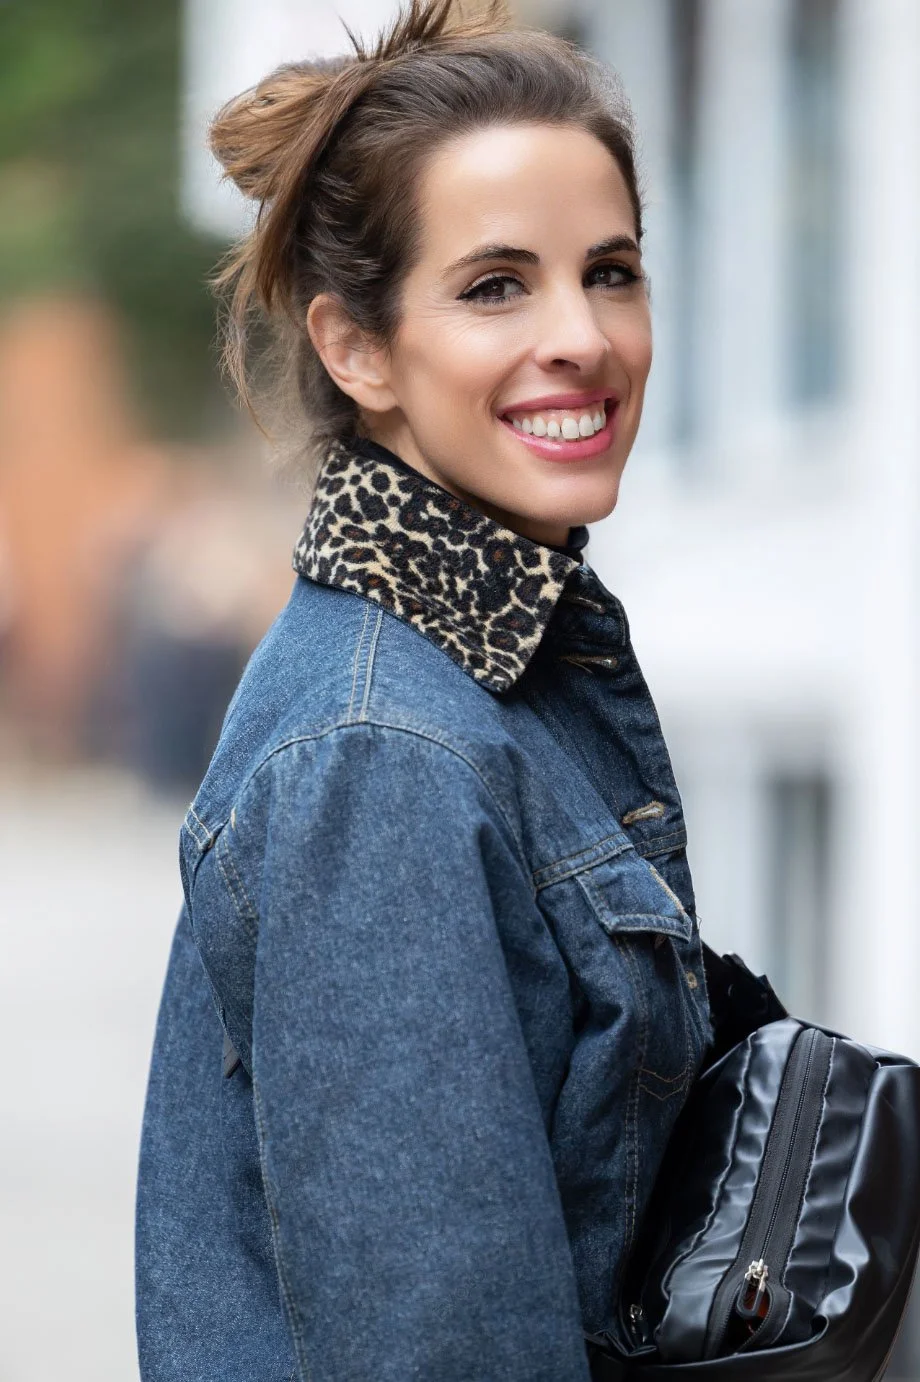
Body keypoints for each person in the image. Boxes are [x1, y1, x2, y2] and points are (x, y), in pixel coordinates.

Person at [135, 2, 712, 1378]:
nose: (583, 335)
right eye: (497, 285)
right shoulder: (383, 750)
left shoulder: (503, 675)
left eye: (613, 270)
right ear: (358, 348)